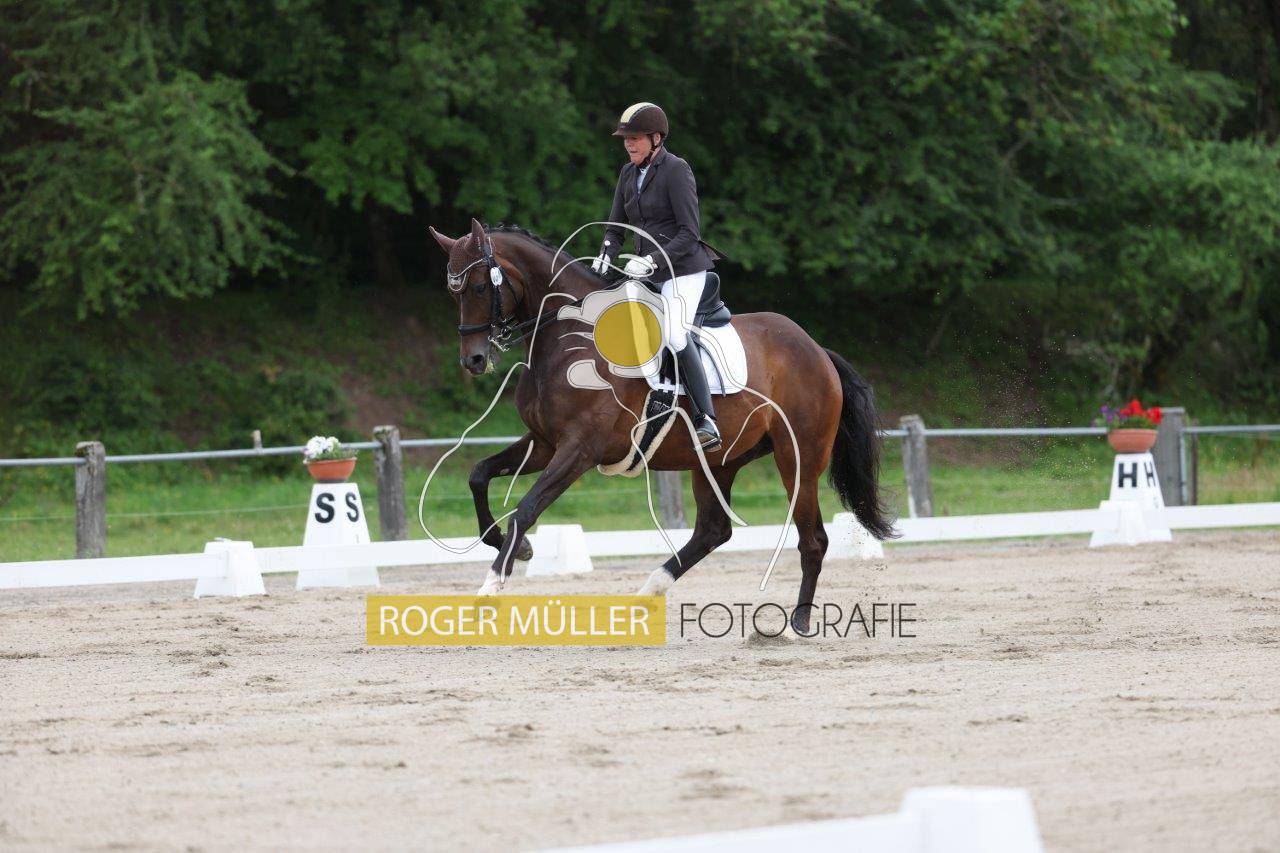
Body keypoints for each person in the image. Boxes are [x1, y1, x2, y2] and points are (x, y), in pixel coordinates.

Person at [591, 102, 723, 450]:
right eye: (625, 139)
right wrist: (606, 251)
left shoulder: (676, 170)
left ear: (656, 138)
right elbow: (615, 226)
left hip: (683, 270)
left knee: (675, 333)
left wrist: (651, 259)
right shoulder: (627, 173)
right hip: (646, 271)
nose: (628, 144)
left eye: (634, 138)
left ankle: (706, 418)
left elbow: (689, 233)